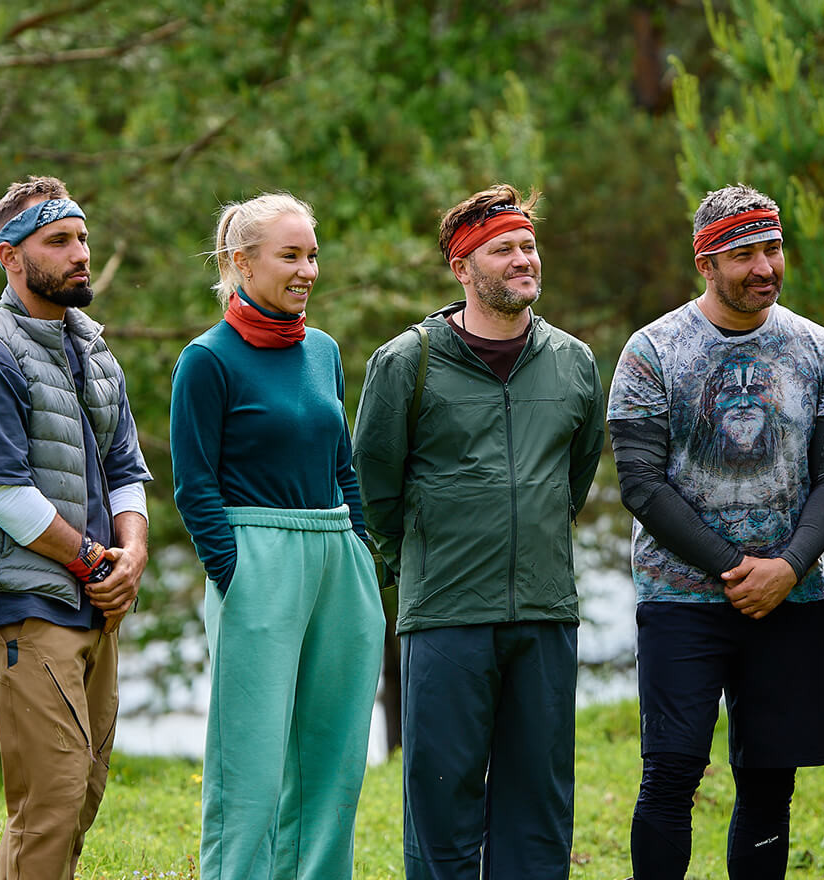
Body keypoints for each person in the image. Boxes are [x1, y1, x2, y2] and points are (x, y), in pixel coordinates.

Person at [352, 184, 604, 880]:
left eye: (528, 245)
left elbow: (573, 479)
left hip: (545, 612)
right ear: (464, 268)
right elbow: (374, 485)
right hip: (445, 616)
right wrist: (420, 564)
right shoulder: (408, 361)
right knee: (443, 809)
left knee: (540, 811)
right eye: (504, 249)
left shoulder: (574, 362)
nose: (523, 259)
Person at [608, 184, 824, 880]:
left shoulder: (817, 349)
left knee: (771, 783)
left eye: (772, 249)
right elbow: (641, 485)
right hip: (680, 598)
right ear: (705, 263)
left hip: (791, 598)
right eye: (743, 254)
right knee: (672, 775)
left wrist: (788, 567)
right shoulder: (652, 350)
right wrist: (735, 568)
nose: (764, 268)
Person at [0, 176, 153, 879]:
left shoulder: (90, 346)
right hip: (24, 608)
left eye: (81, 237)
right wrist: (97, 563)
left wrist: (133, 557)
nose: (79, 253)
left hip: (92, 604)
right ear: (10, 257)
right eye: (58, 241)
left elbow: (125, 468)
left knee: (76, 801)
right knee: (50, 805)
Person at [170, 192, 384, 880]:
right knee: (250, 764)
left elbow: (341, 460)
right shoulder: (207, 360)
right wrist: (235, 572)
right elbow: (194, 485)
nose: (307, 270)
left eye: (312, 255)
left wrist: (357, 546)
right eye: (290, 255)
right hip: (256, 554)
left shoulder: (322, 350)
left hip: (335, 552)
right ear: (242, 262)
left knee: (334, 754)